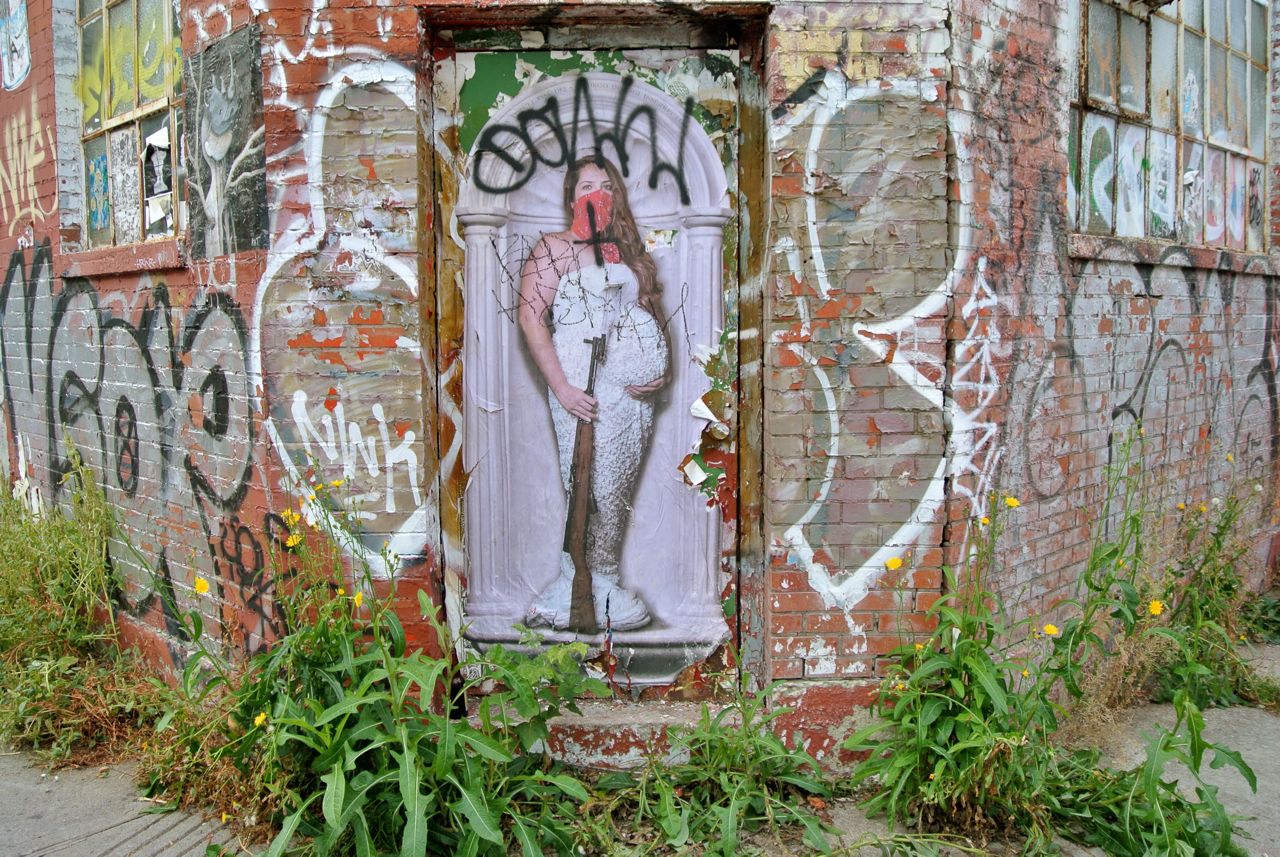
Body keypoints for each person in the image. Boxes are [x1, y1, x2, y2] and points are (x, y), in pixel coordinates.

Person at [518, 156, 669, 632]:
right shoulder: (554, 248)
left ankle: (603, 580)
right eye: (587, 187)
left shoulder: (624, 250)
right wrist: (562, 388)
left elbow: (643, 313)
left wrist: (657, 370)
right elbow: (531, 318)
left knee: (616, 486)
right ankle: (576, 584)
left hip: (630, 401)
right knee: (588, 484)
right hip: (581, 390)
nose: (597, 194)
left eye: (606, 187)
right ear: (571, 198)